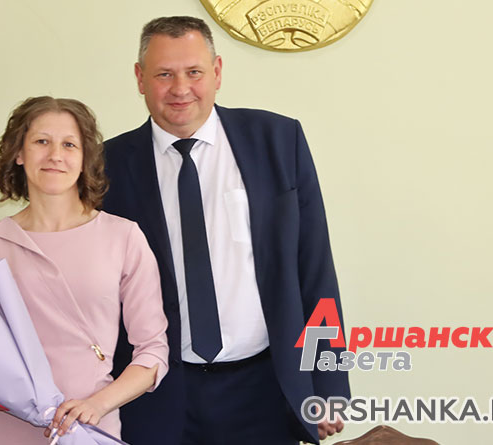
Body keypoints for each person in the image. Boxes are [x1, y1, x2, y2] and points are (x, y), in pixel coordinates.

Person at [102, 16, 350, 445]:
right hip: (157, 396)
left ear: (217, 72)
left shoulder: (278, 140)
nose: (181, 89)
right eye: (164, 74)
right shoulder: (107, 165)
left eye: (194, 72)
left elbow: (314, 271)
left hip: (265, 388)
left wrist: (328, 383)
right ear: (140, 79)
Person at [0, 96, 169, 444]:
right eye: (41, 141)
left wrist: (97, 405)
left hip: (88, 431)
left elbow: (153, 352)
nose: (55, 155)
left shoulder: (123, 237)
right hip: (2, 432)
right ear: (19, 153)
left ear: (85, 158)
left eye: (69, 144)